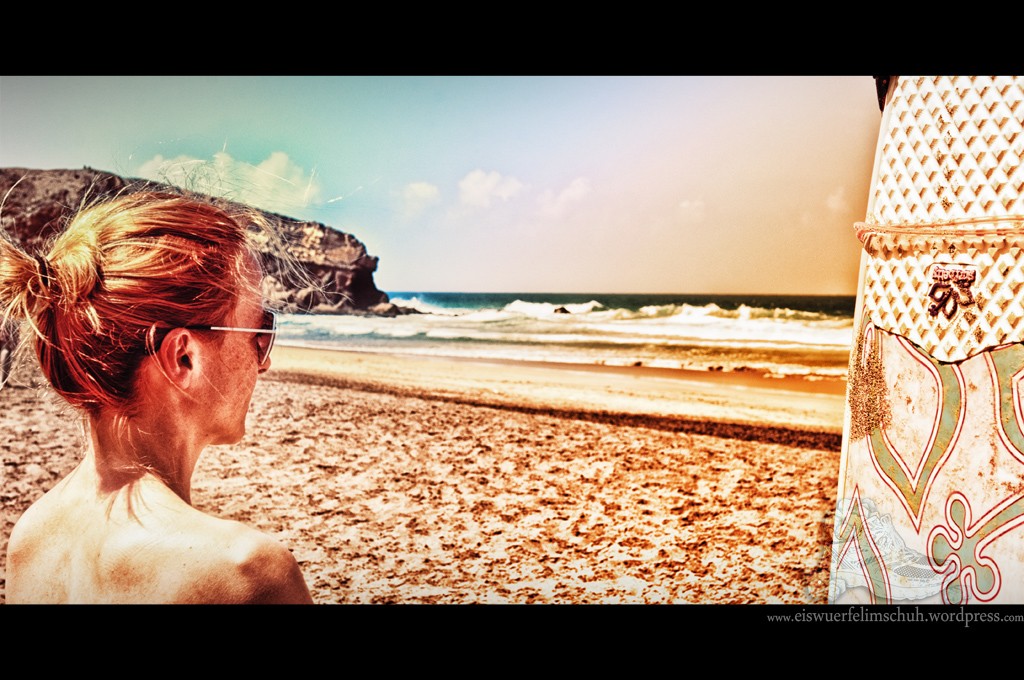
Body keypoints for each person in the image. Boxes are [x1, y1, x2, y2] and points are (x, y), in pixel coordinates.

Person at [1, 190, 313, 603]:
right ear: (183, 357)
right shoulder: (243, 573)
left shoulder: (33, 535)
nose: (265, 361)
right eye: (260, 331)